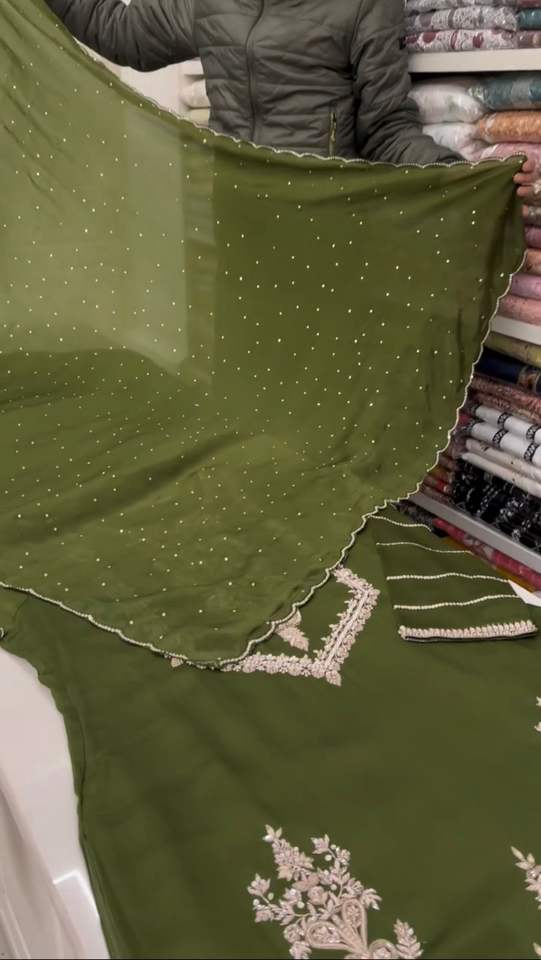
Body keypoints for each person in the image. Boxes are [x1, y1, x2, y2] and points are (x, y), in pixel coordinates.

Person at [43, 0, 533, 193]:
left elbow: (386, 129)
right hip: (235, 211)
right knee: (240, 365)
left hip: (324, 219)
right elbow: (122, 31)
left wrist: (462, 175)